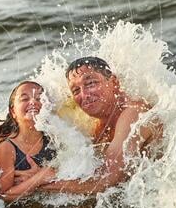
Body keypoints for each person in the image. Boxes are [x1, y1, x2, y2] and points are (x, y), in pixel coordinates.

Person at [39, 57, 161, 196]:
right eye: (76, 90)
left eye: (90, 83)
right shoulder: (97, 126)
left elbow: (109, 178)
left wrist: (42, 184)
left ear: (114, 82)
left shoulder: (134, 113)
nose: (84, 95)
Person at [0, 81, 57, 202]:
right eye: (24, 99)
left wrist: (42, 177)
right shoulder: (7, 148)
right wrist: (39, 178)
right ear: (13, 112)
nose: (33, 102)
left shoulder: (55, 137)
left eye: (39, 98)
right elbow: (2, 195)